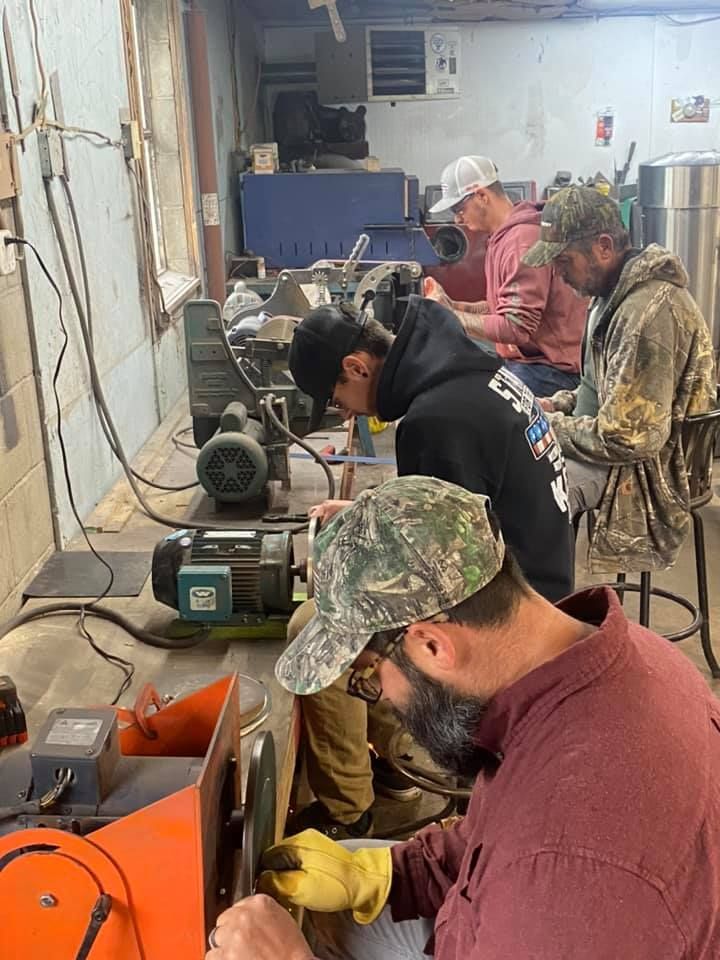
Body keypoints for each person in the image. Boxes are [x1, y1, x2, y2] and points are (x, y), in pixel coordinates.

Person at [206, 476, 720, 960]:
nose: (381, 697)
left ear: (432, 644)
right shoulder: (603, 663)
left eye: (370, 676)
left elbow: (546, 865)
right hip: (498, 917)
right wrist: (387, 874)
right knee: (338, 892)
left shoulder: (568, 877)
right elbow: (498, 835)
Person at [284, 295, 573, 835]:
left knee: (316, 633)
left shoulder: (434, 422)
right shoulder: (466, 372)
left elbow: (442, 575)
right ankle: (398, 760)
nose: (344, 412)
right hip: (540, 585)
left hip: (507, 625)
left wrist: (346, 570)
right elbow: (461, 506)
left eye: (336, 397)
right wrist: (361, 513)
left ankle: (350, 812)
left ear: (357, 366)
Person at [523, 185, 717, 573]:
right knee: (513, 460)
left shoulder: (644, 315)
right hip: (618, 445)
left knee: (530, 493)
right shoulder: (607, 297)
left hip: (647, 467)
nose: (558, 275)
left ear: (605, 246)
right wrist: (555, 405)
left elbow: (628, 439)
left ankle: (545, 616)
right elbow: (600, 391)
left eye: (564, 261)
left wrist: (549, 427)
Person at [424, 155, 587, 397]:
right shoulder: (504, 237)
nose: (457, 218)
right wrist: (453, 306)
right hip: (527, 362)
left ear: (482, 196)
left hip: (551, 373)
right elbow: (502, 309)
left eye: (459, 208)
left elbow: (515, 327)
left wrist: (452, 317)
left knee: (468, 407)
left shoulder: (521, 242)